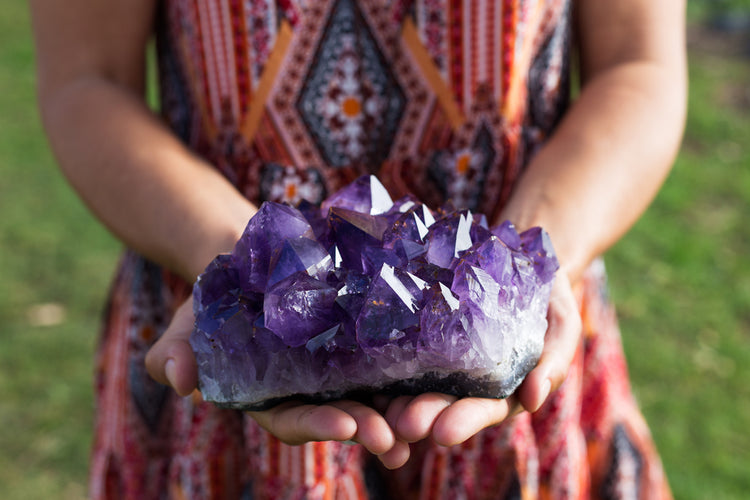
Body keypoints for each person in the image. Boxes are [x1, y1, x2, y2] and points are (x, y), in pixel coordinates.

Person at [31, 0, 686, 498]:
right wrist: (242, 259)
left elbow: (638, 65)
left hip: (527, 318)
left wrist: (539, 254)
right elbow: (88, 81)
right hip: (203, 289)